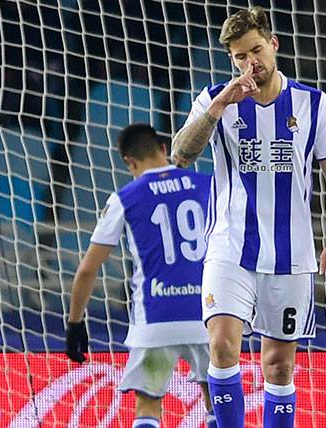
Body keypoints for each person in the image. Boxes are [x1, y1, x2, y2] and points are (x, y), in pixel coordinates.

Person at [171, 7, 326, 428]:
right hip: (230, 248)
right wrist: (217, 107)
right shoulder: (216, 99)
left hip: (291, 257)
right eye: (239, 56)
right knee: (222, 347)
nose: (250, 62)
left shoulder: (313, 103)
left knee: (279, 367)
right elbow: (180, 155)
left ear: (273, 44)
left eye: (255, 50)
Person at [65, 123, 216, 428]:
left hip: (157, 321)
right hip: (206, 315)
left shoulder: (126, 197)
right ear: (164, 149)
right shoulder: (208, 185)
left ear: (129, 162)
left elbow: (86, 270)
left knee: (148, 402)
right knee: (217, 398)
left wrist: (75, 323)